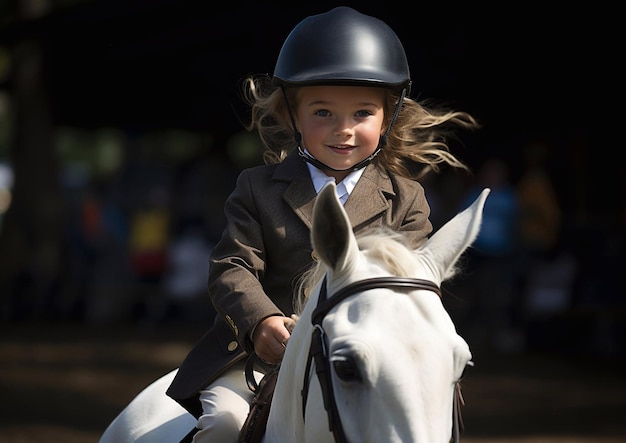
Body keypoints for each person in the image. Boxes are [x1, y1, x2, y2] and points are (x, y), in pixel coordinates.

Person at [166, 6, 479, 442]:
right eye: (323, 113)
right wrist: (262, 322)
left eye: (362, 114)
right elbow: (231, 268)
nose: (344, 130)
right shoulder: (258, 188)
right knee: (223, 426)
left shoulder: (407, 199)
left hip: (367, 357)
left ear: (387, 118)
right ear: (293, 116)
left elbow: (412, 287)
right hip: (261, 358)